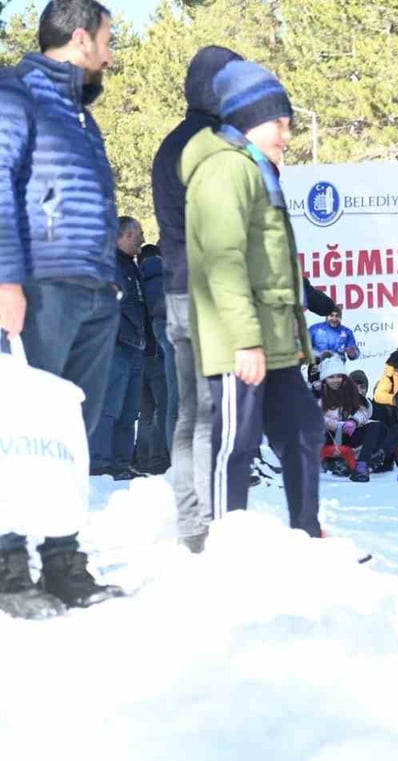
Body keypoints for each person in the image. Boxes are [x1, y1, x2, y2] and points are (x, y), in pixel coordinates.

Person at [0, 0, 123, 615]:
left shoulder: (80, 113)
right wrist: (6, 281)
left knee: (71, 434)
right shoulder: (16, 93)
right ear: (80, 38)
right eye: (107, 41)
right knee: (21, 430)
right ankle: (7, 565)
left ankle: (63, 560)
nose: (111, 55)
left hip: (94, 289)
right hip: (40, 288)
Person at [185, 59, 323, 537]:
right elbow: (223, 260)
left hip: (274, 340)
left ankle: (308, 532)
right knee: (237, 444)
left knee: (304, 428)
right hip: (238, 341)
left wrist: (293, 337)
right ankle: (225, 543)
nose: (287, 134)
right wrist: (244, 339)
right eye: (279, 123)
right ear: (249, 119)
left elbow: (275, 267)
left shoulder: (259, 170)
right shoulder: (225, 170)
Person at [152, 43, 243, 554]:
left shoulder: (171, 144)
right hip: (211, 291)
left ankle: (191, 522)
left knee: (190, 413)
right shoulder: (214, 145)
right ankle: (212, 524)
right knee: (214, 415)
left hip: (176, 289)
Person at [89, 216, 147, 479]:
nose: (143, 240)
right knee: (109, 407)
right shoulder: (107, 264)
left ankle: (121, 463)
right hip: (116, 345)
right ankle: (100, 462)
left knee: (130, 410)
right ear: (124, 235)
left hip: (136, 346)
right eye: (138, 234)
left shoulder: (132, 266)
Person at [317, 357, 391, 483]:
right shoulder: (320, 398)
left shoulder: (351, 393)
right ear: (325, 379)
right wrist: (336, 424)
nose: (335, 380)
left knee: (377, 426)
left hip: (350, 433)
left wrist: (354, 421)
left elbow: (364, 410)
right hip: (330, 436)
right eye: (331, 377)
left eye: (338, 376)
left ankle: (362, 466)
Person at [134, 243, 172, 473]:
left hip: (138, 352)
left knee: (146, 413)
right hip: (159, 353)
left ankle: (142, 459)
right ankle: (158, 460)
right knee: (164, 408)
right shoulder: (164, 279)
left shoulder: (135, 278)